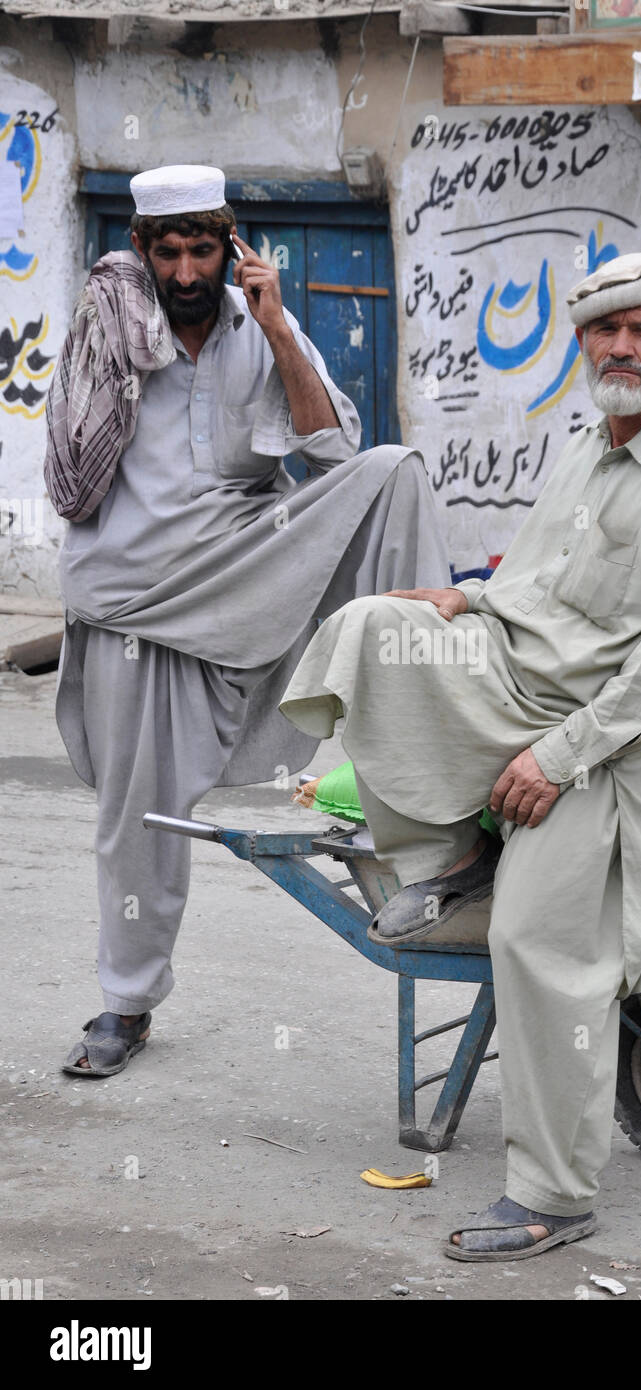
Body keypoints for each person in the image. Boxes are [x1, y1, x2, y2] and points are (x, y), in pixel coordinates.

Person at [279, 251, 641, 1260]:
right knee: (379, 630)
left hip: (610, 747)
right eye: (604, 330)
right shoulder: (586, 447)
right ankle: (455, 847)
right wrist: (469, 600)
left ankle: (554, 1193)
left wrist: (557, 758)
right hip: (516, 682)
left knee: (535, 946)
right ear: (582, 344)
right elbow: (537, 580)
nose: (622, 347)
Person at [44, 164, 449, 1077]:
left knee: (392, 470)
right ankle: (125, 1005)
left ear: (231, 247)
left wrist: (274, 330)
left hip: (248, 562)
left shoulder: (259, 324)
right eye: (169, 252)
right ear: (143, 251)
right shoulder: (109, 331)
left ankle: (436, 701)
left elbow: (331, 448)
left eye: (204, 249)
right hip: (133, 596)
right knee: (135, 816)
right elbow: (69, 473)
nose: (187, 273)